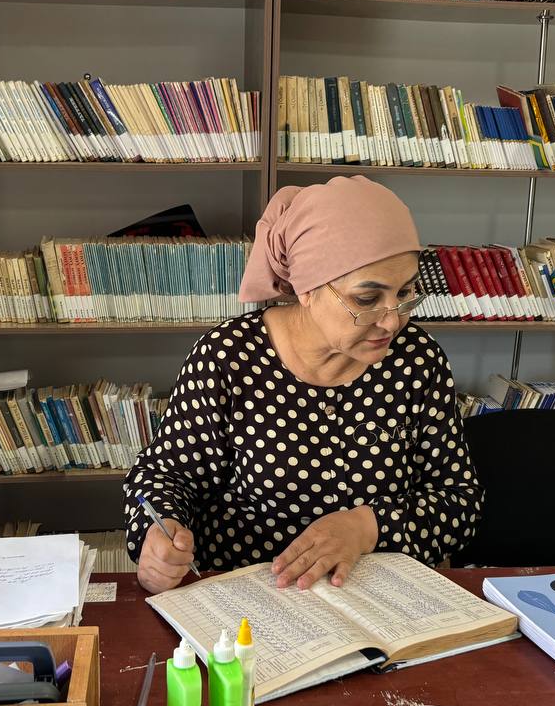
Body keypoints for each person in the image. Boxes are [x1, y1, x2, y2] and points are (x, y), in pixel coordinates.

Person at [124, 175, 482, 595]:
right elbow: (165, 476)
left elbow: (459, 501)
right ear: (307, 288)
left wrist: (367, 526)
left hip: (379, 601)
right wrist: (158, 532)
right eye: (367, 299)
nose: (392, 321)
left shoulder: (416, 360)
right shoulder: (228, 358)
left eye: (405, 292)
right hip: (249, 600)